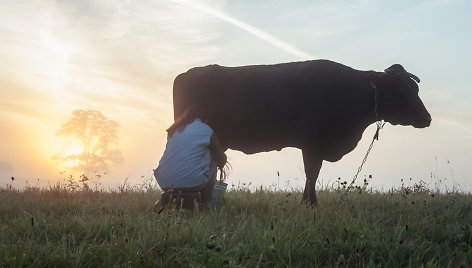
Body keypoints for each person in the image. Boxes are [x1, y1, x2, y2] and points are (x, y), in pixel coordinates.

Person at [154, 106, 227, 209]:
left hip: (163, 181)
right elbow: (222, 159)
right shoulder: (206, 130)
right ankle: (205, 204)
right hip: (192, 182)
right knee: (213, 162)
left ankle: (170, 198)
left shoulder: (174, 130)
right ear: (205, 118)